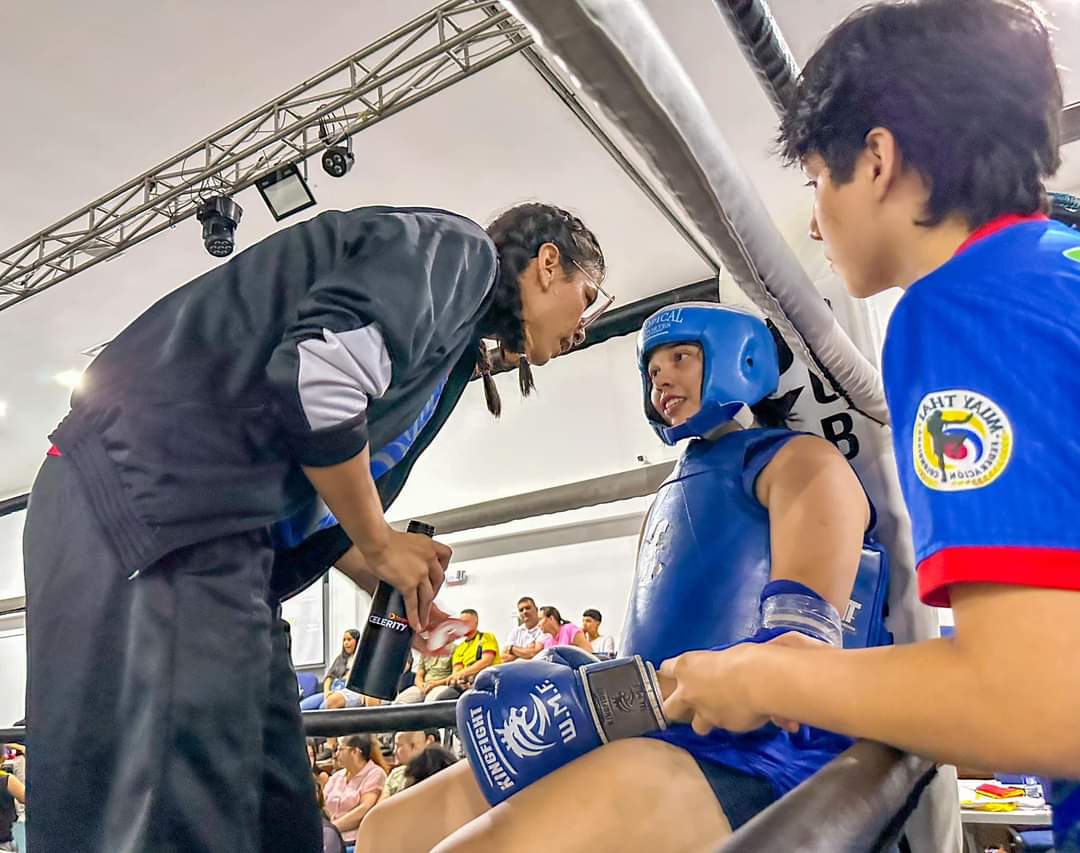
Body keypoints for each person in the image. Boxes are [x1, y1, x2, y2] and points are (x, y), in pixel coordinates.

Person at [23, 201, 609, 853]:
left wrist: (385, 577)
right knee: (188, 805)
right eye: (587, 298)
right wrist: (381, 543)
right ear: (548, 263)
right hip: (150, 502)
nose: (582, 326)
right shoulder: (459, 254)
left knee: (274, 806)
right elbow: (316, 373)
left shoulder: (452, 348)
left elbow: (312, 479)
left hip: (216, 536)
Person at [659, 1, 1080, 849]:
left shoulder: (963, 305)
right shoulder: (1055, 269)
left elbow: (1036, 697)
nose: (816, 220)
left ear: (879, 161)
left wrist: (765, 675)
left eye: (819, 179)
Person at [357, 304, 890, 852]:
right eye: (653, 370)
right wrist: (593, 686)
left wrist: (621, 696)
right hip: (653, 725)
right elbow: (652, 649)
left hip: (754, 754)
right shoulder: (670, 495)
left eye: (680, 357)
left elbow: (796, 659)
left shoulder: (801, 463)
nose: (662, 380)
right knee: (386, 832)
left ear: (742, 358)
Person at [324, 734, 389, 846]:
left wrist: (333, 828)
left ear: (355, 752)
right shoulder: (337, 776)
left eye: (340, 749)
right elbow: (322, 804)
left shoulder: (375, 773)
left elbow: (365, 808)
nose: (336, 754)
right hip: (329, 836)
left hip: (355, 839)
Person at [302, 630, 363, 711]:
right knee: (301, 706)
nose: (346, 643)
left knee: (323, 707)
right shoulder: (340, 658)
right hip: (333, 690)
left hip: (347, 692)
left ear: (357, 641)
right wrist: (327, 692)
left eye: (349, 639)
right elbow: (329, 677)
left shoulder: (362, 658)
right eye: (344, 640)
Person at [445, 609, 501, 695]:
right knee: (442, 698)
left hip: (488, 681)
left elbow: (487, 661)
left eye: (466, 622)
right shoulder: (459, 648)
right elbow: (457, 670)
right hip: (465, 684)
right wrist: (459, 679)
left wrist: (462, 674)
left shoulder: (486, 637)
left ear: (476, 623)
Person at [383, 730, 439, 799]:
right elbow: (381, 804)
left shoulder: (442, 774)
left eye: (398, 745)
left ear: (429, 741)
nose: (394, 751)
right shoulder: (396, 774)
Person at [501, 597, 546, 661]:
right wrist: (526, 653)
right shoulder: (516, 631)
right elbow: (503, 658)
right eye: (521, 610)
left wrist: (511, 649)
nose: (524, 612)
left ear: (536, 610)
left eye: (528, 608)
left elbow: (534, 654)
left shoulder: (544, 629)